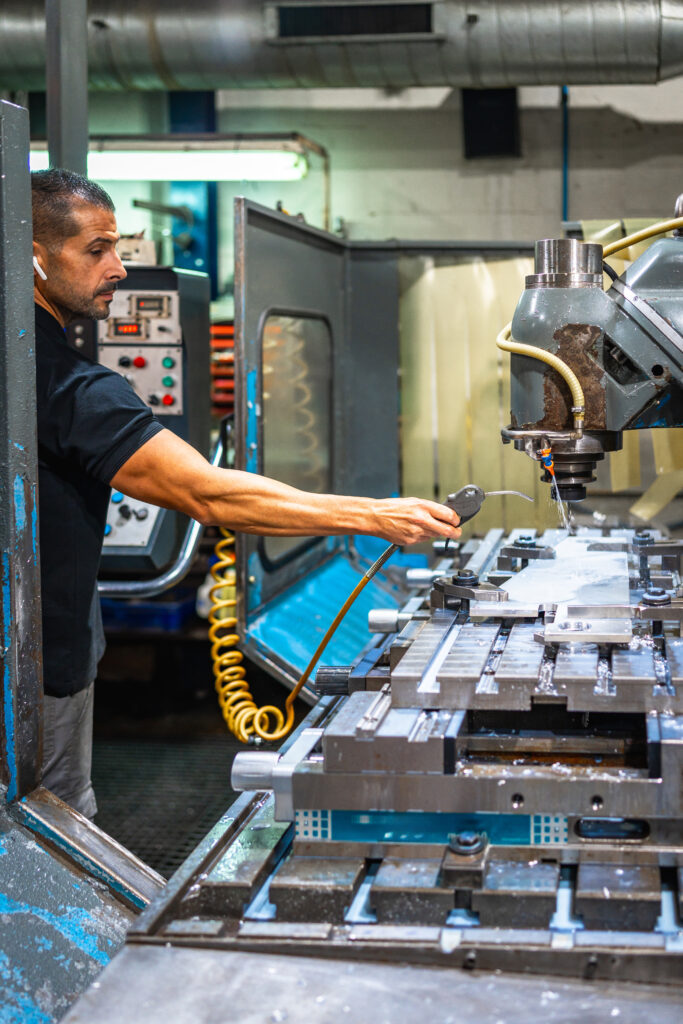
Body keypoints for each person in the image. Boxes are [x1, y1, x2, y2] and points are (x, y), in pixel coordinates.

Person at [31, 168, 461, 819]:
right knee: (52, 826)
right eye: (96, 251)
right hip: (39, 668)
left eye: (118, 247)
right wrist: (373, 514)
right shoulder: (72, 387)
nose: (120, 268)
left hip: (33, 641)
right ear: (34, 259)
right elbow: (208, 496)